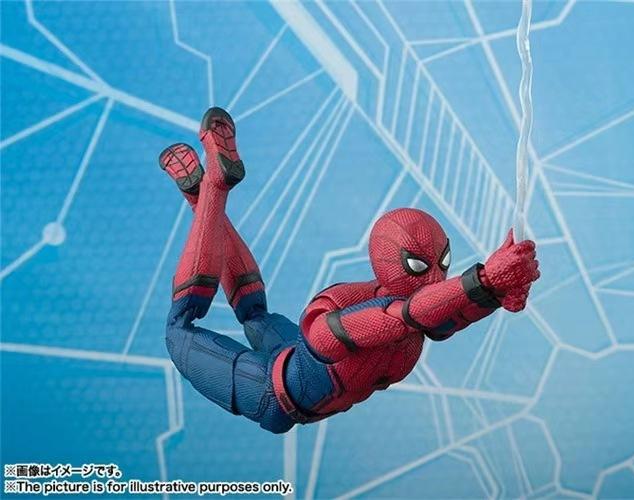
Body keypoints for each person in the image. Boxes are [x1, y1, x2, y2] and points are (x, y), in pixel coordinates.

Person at [160, 107, 540, 433]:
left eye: (443, 262)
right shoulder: (357, 316)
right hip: (269, 392)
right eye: (421, 266)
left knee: (254, 314)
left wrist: (497, 289)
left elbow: (449, 313)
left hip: (291, 365)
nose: (436, 278)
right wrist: (484, 279)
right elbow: (411, 313)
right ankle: (213, 190)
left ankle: (203, 199)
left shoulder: (419, 314)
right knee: (179, 327)